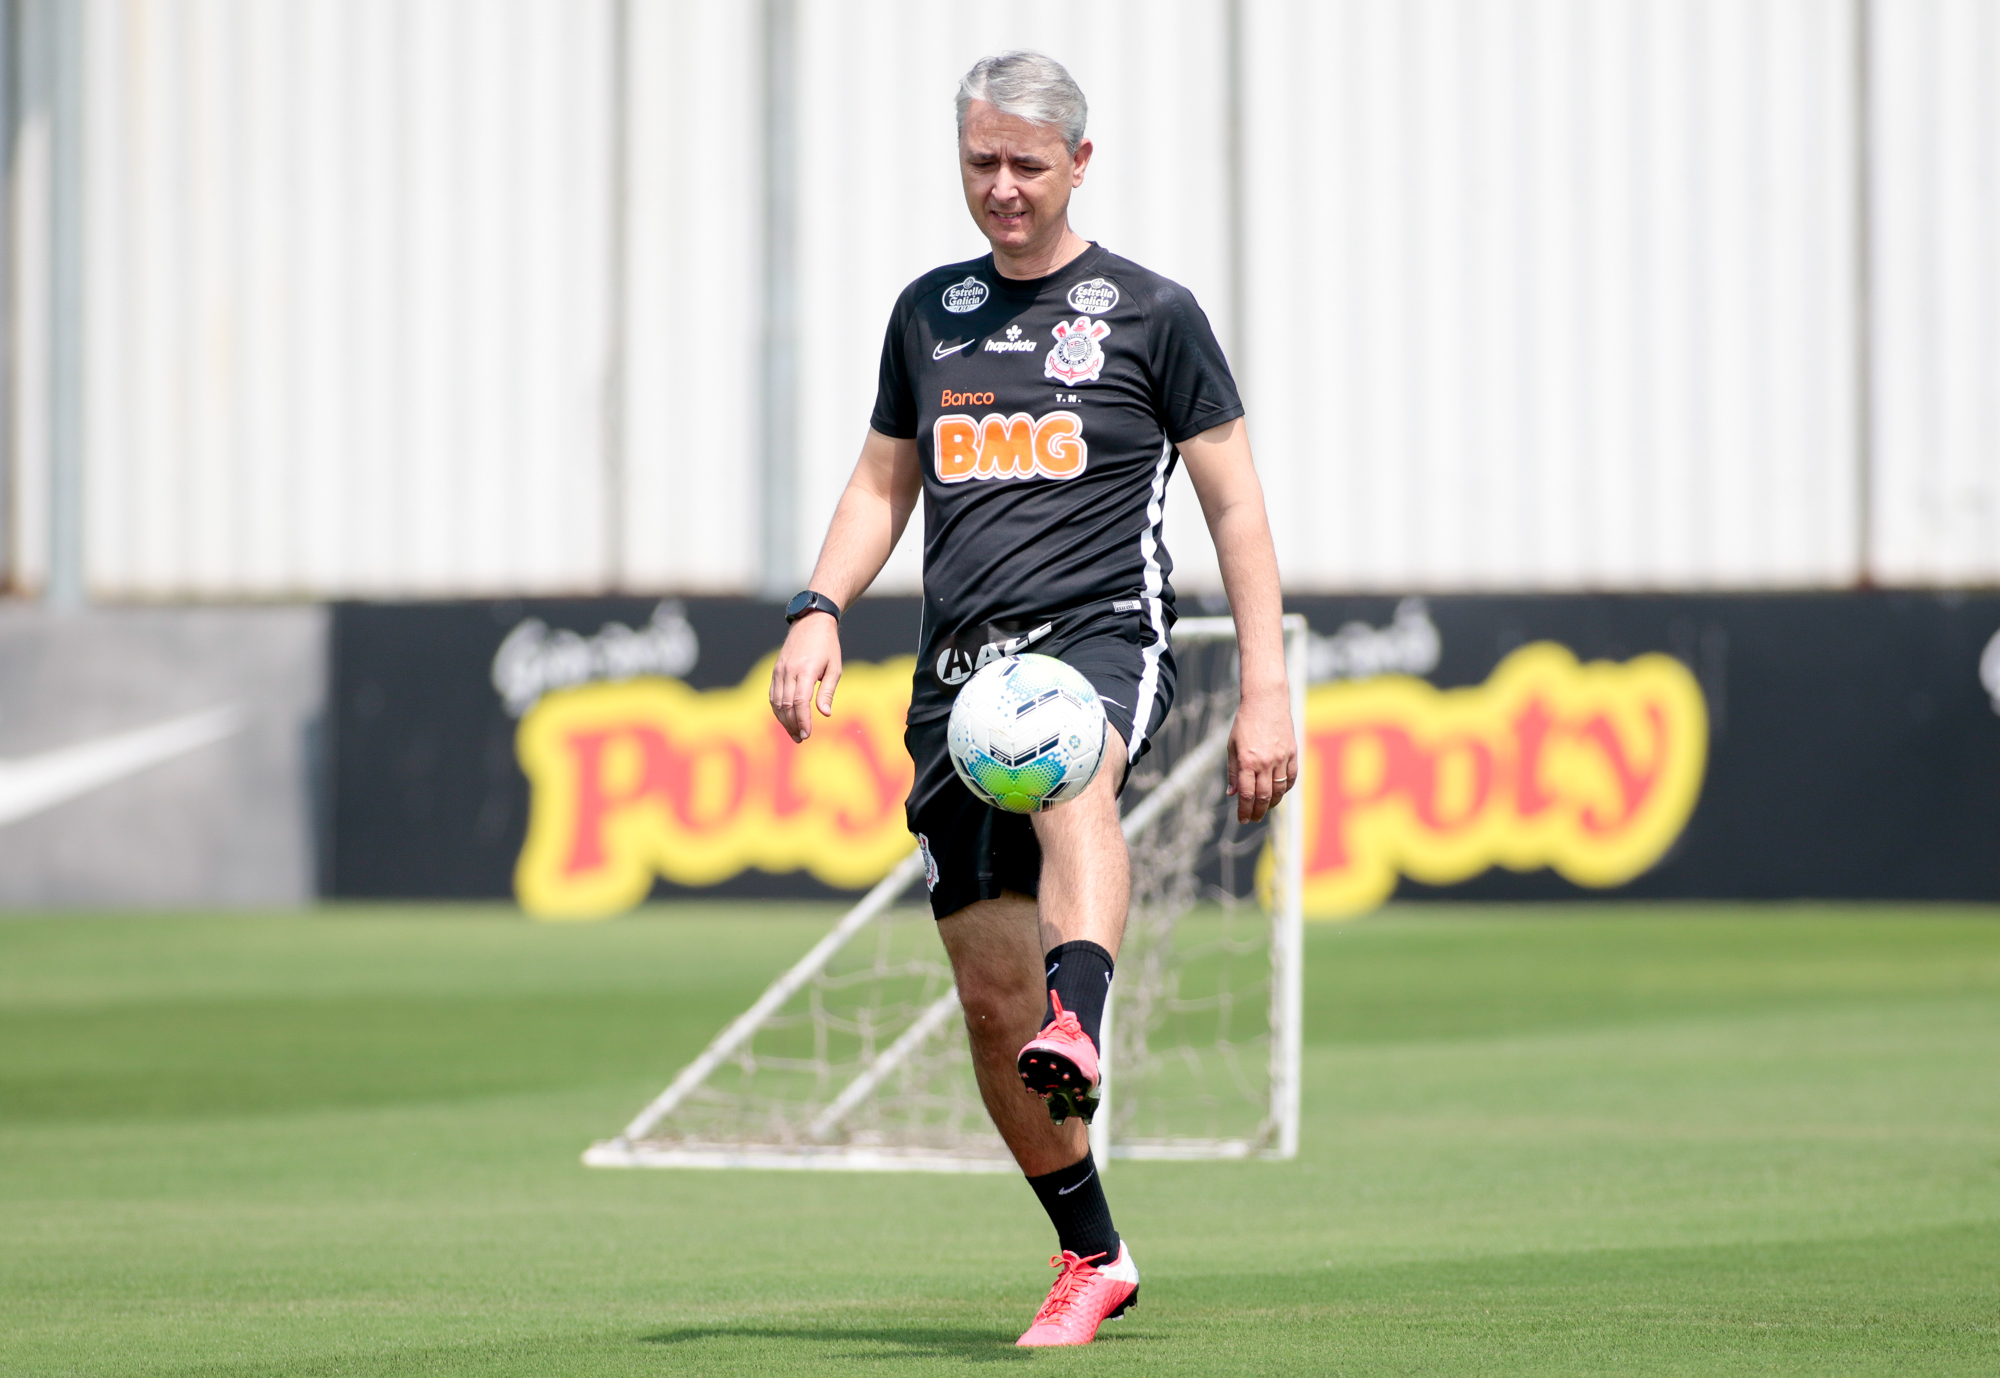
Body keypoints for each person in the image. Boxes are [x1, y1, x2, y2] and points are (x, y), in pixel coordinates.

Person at [768, 50, 1295, 1348]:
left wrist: (1267, 688)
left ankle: (1083, 1016)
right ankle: (1092, 1252)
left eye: (1026, 163)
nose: (1002, 186)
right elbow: (882, 484)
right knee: (989, 1004)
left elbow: (1235, 503)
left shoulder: (1152, 314)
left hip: (1101, 639)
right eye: (980, 162)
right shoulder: (929, 314)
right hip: (957, 680)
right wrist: (819, 606)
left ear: (1079, 163)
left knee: (1069, 771)